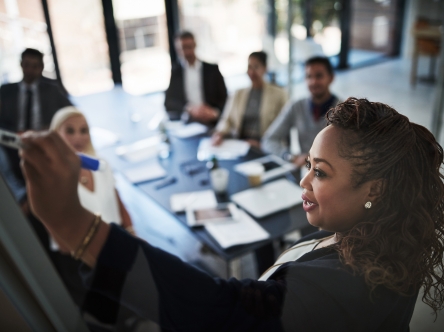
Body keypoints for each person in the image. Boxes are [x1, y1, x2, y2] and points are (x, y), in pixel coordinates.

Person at [20, 98, 444, 331]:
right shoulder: (379, 242)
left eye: (321, 172)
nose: (304, 181)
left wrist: (74, 224)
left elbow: (221, 313)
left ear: (374, 190)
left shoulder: (348, 289)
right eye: (308, 165)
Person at [49, 106, 133, 235]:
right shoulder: (52, 179)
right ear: (55, 135)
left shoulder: (101, 164)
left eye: (83, 130)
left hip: (118, 238)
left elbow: (117, 200)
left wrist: (132, 232)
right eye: (70, 131)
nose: (78, 137)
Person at [262, 56, 341, 167]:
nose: (313, 82)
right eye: (309, 76)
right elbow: (269, 140)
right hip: (304, 173)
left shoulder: (344, 112)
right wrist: (289, 156)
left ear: (331, 78)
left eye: (319, 76)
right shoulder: (296, 106)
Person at [212, 51, 287, 149]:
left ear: (265, 69)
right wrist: (219, 134)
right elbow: (227, 119)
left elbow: (283, 127)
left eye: (256, 67)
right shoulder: (238, 93)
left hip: (265, 145)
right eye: (249, 67)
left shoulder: (279, 94)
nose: (251, 72)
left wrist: (262, 145)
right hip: (240, 144)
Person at [0, 48, 72, 132]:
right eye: (26, 65)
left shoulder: (52, 90)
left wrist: (51, 128)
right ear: (21, 64)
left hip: (44, 138)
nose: (29, 70)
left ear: (41, 67)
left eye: (34, 66)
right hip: (13, 139)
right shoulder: (6, 91)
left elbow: (71, 112)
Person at [164, 31, 227, 126]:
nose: (187, 52)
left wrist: (215, 112)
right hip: (189, 122)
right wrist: (189, 109)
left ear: (195, 45)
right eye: (182, 48)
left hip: (211, 121)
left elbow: (225, 99)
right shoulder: (176, 72)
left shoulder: (212, 70)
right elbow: (169, 102)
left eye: (189, 47)